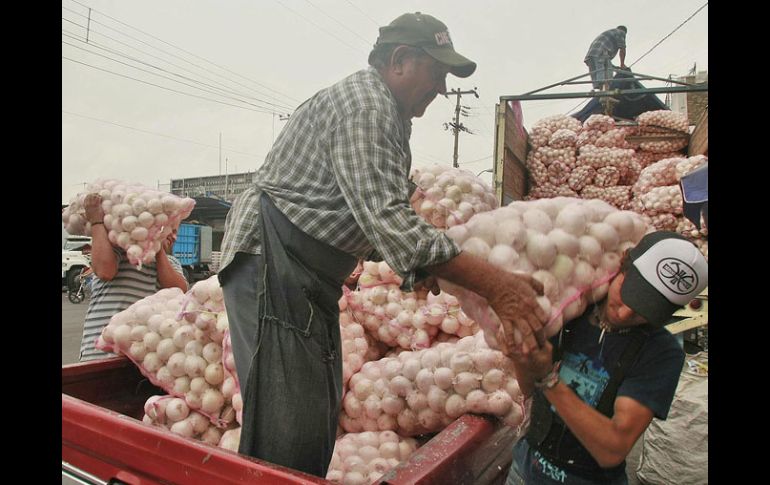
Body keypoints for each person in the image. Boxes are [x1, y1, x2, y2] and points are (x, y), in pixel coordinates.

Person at [217, 11, 548, 477]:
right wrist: (499, 286)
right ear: (399, 60)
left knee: (313, 412)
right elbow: (390, 222)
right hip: (273, 260)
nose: (442, 89)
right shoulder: (367, 106)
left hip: (305, 272)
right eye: (437, 73)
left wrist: (434, 265)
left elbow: (373, 223)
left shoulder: (387, 113)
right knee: (286, 421)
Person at [505, 231, 708, 485]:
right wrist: (522, 356)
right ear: (623, 262)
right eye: (629, 292)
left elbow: (612, 450)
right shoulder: (572, 307)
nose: (624, 313)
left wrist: (548, 379)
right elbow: (528, 389)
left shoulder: (662, 353)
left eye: (644, 310)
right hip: (524, 469)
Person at [78, 193, 189, 362]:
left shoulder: (170, 263)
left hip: (140, 357)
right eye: (170, 230)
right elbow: (104, 271)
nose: (174, 236)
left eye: (175, 232)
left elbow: (178, 290)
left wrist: (157, 247)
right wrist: (97, 221)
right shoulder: (118, 251)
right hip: (98, 352)